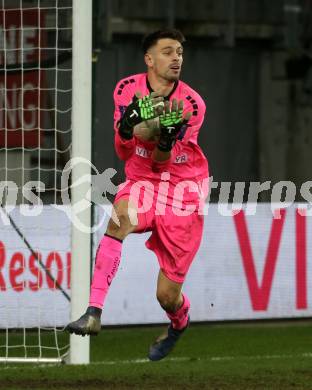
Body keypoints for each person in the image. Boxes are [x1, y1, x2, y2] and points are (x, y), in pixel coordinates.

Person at [66, 29, 209, 361]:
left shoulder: (191, 104)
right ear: (149, 59)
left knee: (166, 296)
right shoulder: (126, 90)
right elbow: (123, 150)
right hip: (142, 181)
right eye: (168, 52)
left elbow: (163, 159)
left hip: (183, 193)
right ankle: (93, 312)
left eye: (180, 53)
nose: (176, 58)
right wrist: (127, 127)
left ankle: (179, 322)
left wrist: (161, 138)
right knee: (118, 222)